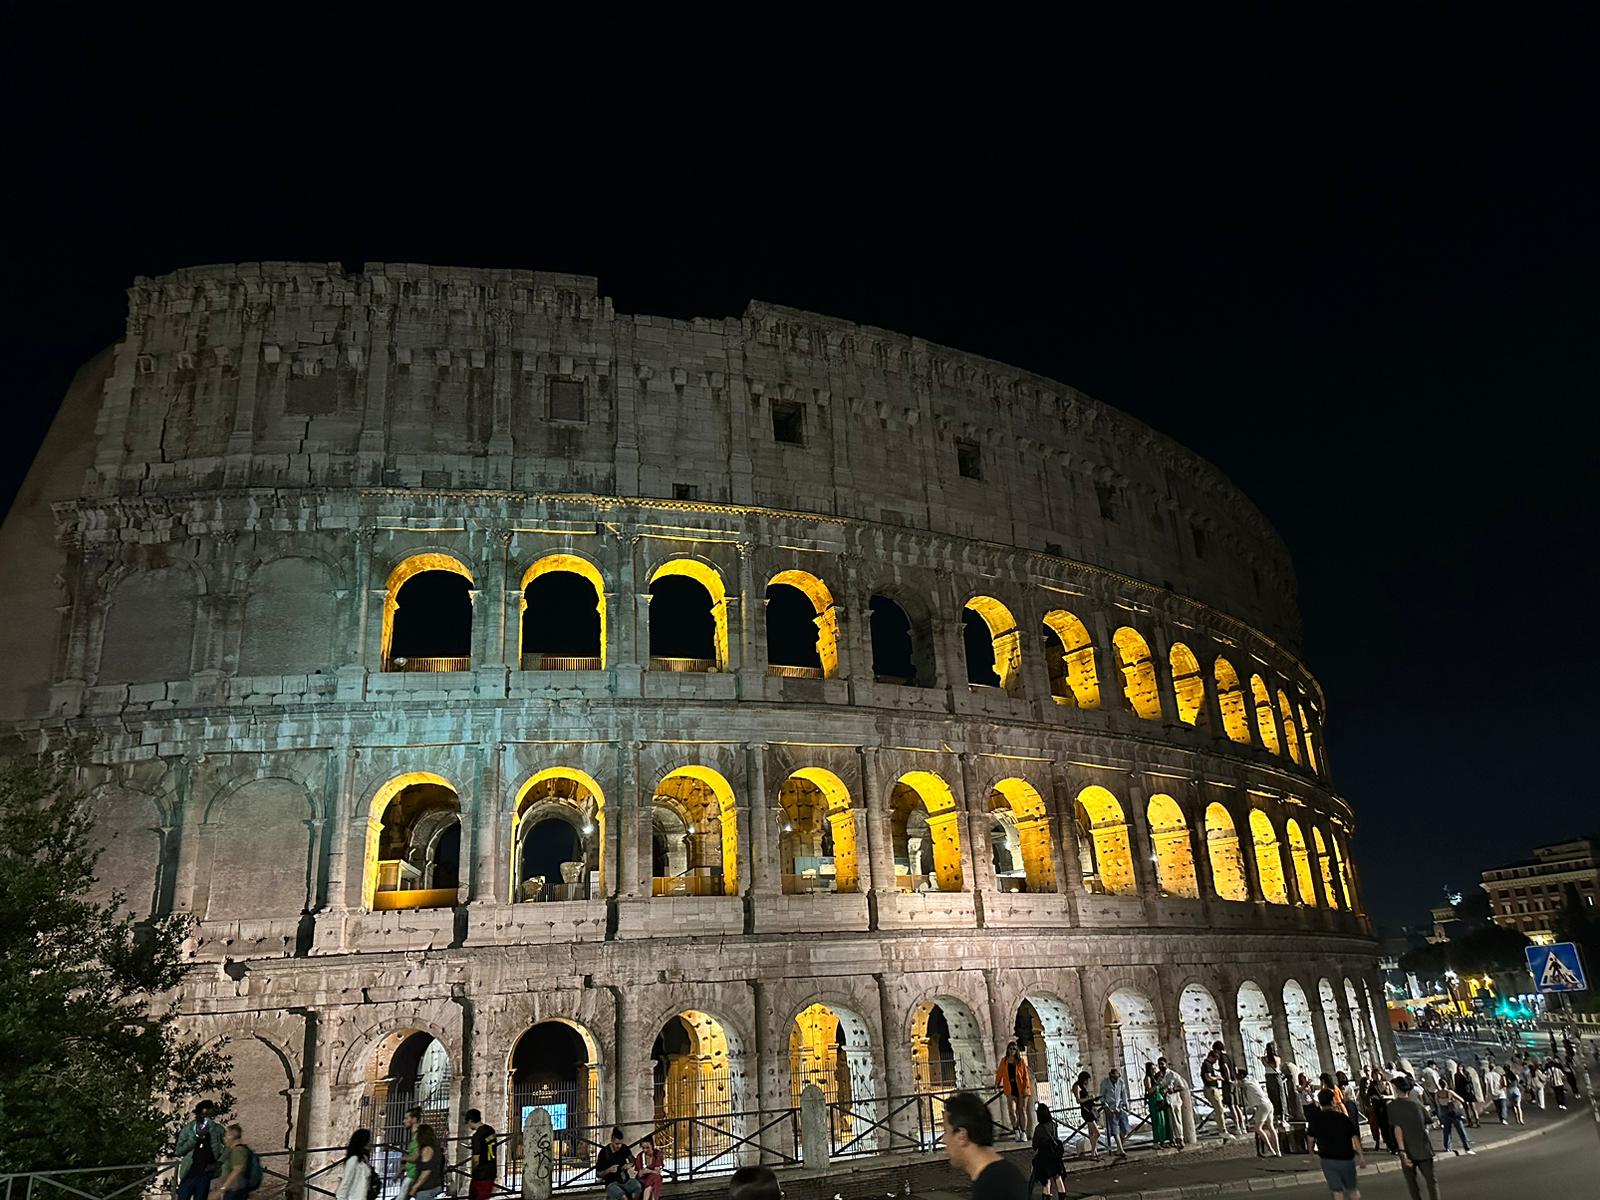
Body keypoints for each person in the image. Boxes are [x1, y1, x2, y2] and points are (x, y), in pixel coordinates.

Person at [940, 1090, 1028, 1200]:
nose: (944, 1140)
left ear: (962, 1136)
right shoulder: (1002, 1177)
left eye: (946, 1131)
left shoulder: (992, 1188)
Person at [1306, 1088, 1363, 1200]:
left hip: (1328, 1159)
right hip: (1346, 1158)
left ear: (1320, 1102)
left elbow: (1310, 1138)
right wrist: (1361, 1156)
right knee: (1352, 1190)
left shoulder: (1316, 1119)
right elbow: (1354, 1137)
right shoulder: (1342, 1118)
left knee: (1337, 1191)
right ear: (1333, 1101)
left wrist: (1311, 1151)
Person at [1387, 1077, 1438, 1200]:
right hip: (1423, 1147)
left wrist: (1402, 1151)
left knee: (1412, 1184)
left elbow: (1397, 1129)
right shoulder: (1417, 1105)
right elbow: (1429, 1120)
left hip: (1407, 1149)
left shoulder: (1392, 1107)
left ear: (1396, 1089)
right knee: (1431, 1182)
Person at [175, 1102, 227, 1200]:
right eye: (204, 1115)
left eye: (210, 1116)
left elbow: (229, 1146)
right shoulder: (188, 1129)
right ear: (198, 1115)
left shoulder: (217, 1129)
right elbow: (178, 1151)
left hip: (207, 1174)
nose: (207, 1119)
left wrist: (219, 1162)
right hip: (189, 1173)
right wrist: (197, 1137)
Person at [994, 1041, 1034, 1139]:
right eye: (1010, 1048)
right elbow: (999, 1073)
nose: (1012, 1051)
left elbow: (1025, 1076)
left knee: (1021, 1110)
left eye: (1014, 1049)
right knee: (1011, 1110)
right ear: (1007, 1050)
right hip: (1010, 1089)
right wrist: (996, 1084)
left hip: (1021, 1088)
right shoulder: (1004, 1061)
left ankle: (1023, 1132)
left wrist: (1025, 1087)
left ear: (1017, 1051)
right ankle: (1016, 1129)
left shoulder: (1021, 1061)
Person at [1237, 1069, 1279, 1157]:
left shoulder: (1245, 1082)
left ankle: (1271, 1150)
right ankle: (1278, 1151)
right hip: (1268, 1103)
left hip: (1262, 1105)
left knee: (1258, 1128)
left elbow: (1236, 1084)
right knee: (1271, 1127)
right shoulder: (1253, 1080)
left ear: (1241, 1076)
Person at [1029, 1103, 1067, 1196]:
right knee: (1058, 1178)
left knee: (1046, 1181)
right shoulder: (1054, 1125)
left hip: (1044, 1156)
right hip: (1055, 1155)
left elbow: (1035, 1145)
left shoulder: (1039, 1128)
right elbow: (1056, 1138)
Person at [597, 1128, 643, 1200]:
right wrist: (608, 1170)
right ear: (612, 1140)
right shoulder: (604, 1153)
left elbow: (634, 1160)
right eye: (617, 1144)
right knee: (623, 1197)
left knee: (638, 1186)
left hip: (625, 1180)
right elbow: (598, 1174)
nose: (619, 1146)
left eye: (621, 1143)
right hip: (611, 1183)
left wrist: (630, 1164)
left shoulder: (624, 1148)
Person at [1155, 1057, 1189, 1148]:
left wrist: (1173, 1089)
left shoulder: (1173, 1075)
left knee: (1177, 1121)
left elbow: (1182, 1087)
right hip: (1166, 1102)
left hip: (1175, 1101)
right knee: (1170, 1122)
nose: (1161, 1066)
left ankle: (1180, 1139)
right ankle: (1173, 1139)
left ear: (1166, 1064)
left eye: (1162, 1064)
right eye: (1159, 1064)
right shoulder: (1159, 1075)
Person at [1434, 1080, 1474, 1156]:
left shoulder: (1437, 1094)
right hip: (1453, 1113)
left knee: (1447, 1131)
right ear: (1446, 1084)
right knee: (1461, 1130)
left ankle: (1448, 1147)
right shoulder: (1449, 1092)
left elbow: (1437, 1104)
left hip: (1444, 1113)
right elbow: (1461, 1099)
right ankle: (1467, 1147)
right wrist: (1454, 1101)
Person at [1214, 1041, 1246, 1137]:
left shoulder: (1222, 1058)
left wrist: (1227, 1079)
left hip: (1228, 1083)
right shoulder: (1229, 1056)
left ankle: (1237, 1127)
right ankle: (1243, 1126)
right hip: (1235, 1081)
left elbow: (1226, 1067)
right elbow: (1235, 1068)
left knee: (1231, 1105)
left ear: (1217, 1050)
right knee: (1236, 1105)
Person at [333, 1130, 375, 1200]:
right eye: (369, 1140)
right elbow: (346, 1182)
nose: (371, 1143)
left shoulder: (364, 1159)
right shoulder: (353, 1160)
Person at [1098, 1067, 1130, 1159]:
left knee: (1124, 1129)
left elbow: (1124, 1094)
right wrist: (1106, 1108)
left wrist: (1126, 1106)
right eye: (1114, 1078)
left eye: (1117, 1078)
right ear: (1110, 1076)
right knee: (1115, 1129)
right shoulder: (1104, 1083)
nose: (1116, 1080)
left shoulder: (1121, 1082)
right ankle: (1121, 1150)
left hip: (1120, 1108)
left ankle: (1119, 1149)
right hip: (1110, 1108)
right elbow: (1102, 1096)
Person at [214, 1125, 253, 1200]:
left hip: (235, 1189)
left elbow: (237, 1170)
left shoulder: (238, 1151)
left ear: (231, 1136)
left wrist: (223, 1188)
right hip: (232, 1189)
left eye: (225, 1136)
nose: (224, 1139)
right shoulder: (233, 1150)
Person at [466, 1109, 497, 1200]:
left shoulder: (477, 1136)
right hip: (491, 1170)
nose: (468, 1125)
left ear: (471, 1121)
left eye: (468, 1123)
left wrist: (473, 1171)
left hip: (480, 1174)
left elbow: (476, 1158)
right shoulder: (491, 1130)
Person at [1071, 1070, 1101, 1159]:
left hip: (1089, 1109)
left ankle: (1095, 1152)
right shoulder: (1077, 1086)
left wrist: (1092, 1099)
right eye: (1087, 1079)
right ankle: (1092, 1153)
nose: (1088, 1082)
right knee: (1097, 1133)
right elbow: (1078, 1100)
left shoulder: (1083, 1086)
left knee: (1091, 1133)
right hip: (1086, 1111)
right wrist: (1088, 1098)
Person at [1144, 1062, 1173, 1148]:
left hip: (1160, 1100)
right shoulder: (1148, 1078)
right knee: (1157, 1121)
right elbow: (1149, 1091)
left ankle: (1163, 1140)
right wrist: (1156, 1084)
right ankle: (1156, 1141)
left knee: (1163, 1121)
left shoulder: (1155, 1077)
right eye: (1152, 1069)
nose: (1154, 1070)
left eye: (1154, 1068)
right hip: (1154, 1100)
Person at [1200, 1051, 1228, 1139]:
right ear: (1211, 1057)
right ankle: (1222, 1130)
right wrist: (1218, 1078)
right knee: (1219, 1110)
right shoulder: (1207, 1065)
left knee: (1219, 1110)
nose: (1216, 1061)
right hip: (1211, 1089)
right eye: (1215, 1059)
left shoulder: (1207, 1064)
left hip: (1211, 1088)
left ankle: (1222, 1129)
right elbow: (1208, 1077)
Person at [411, 1126, 443, 1200]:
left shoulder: (427, 1149)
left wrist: (415, 1187)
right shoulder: (435, 1148)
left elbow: (426, 1172)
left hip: (426, 1187)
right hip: (435, 1184)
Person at [398, 1108, 424, 1200]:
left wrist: (404, 1158)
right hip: (412, 1174)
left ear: (414, 1119)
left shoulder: (418, 1136)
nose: (403, 1121)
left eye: (406, 1118)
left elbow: (416, 1156)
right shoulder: (416, 1136)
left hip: (413, 1176)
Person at [633, 1133, 664, 1200]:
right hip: (643, 1179)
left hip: (653, 1179)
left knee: (654, 1179)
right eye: (643, 1148)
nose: (645, 1150)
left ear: (652, 1146)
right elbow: (639, 1175)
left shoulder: (658, 1154)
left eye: (647, 1148)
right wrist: (642, 1172)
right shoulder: (640, 1156)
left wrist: (648, 1171)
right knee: (655, 1179)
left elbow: (657, 1172)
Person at [1262, 1042, 1285, 1124]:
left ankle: (1275, 1117)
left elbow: (1265, 1064)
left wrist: (1265, 1054)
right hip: (1276, 1076)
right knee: (1280, 1096)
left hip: (1268, 1077)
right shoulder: (1277, 1058)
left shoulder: (1264, 1058)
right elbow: (1276, 1066)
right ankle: (1282, 1116)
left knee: (1272, 1096)